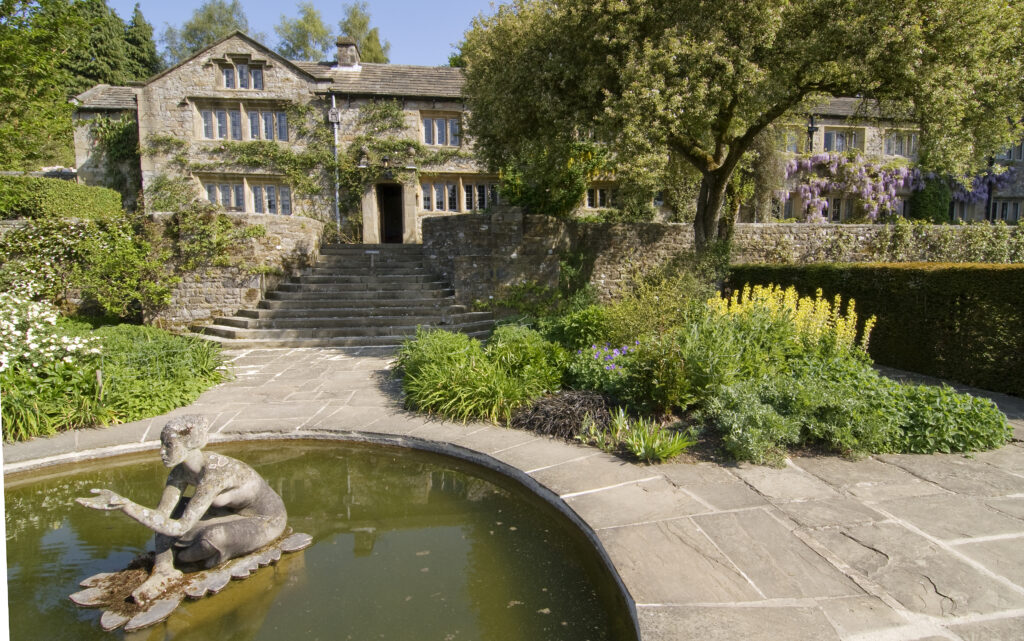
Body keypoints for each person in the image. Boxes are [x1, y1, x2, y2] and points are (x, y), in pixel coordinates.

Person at [77, 415, 287, 604]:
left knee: (212, 539)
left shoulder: (216, 474)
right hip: (229, 513)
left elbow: (179, 527)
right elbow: (161, 516)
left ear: (188, 445)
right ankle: (165, 569)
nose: (162, 451)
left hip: (266, 519)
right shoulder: (179, 472)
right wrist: (162, 561)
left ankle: (182, 563)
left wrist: (124, 505)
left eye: (168, 445)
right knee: (175, 520)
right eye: (162, 444)